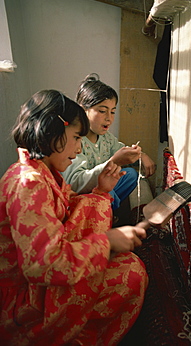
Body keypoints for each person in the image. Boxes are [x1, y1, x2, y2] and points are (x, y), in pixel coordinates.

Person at [0, 90, 148, 346]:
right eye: (76, 138)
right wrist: (107, 242)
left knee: (129, 266)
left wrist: (102, 191)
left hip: (38, 281)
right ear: (51, 134)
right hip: (23, 304)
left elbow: (71, 211)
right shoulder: (28, 183)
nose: (80, 147)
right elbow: (41, 265)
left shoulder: (43, 174)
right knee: (130, 276)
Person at [62, 73, 156, 210]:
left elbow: (122, 151)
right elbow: (76, 183)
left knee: (130, 175)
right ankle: (106, 212)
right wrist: (114, 162)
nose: (109, 118)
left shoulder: (106, 138)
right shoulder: (75, 141)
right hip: (81, 195)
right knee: (108, 190)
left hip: (100, 188)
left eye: (112, 112)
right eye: (102, 111)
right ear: (83, 111)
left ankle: (109, 207)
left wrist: (142, 155)